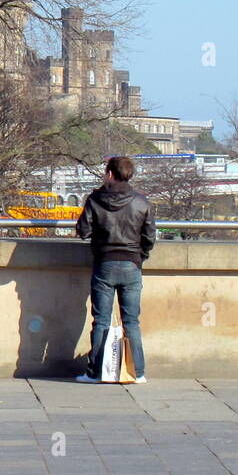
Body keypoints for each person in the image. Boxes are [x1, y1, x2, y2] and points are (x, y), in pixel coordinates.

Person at [75, 156, 156, 384]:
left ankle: (95, 372)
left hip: (105, 263)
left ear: (110, 173)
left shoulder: (96, 199)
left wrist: (100, 193)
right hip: (132, 264)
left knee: (101, 320)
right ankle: (136, 371)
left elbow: (83, 230)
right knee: (131, 321)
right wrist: (140, 257)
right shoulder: (142, 202)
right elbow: (149, 237)